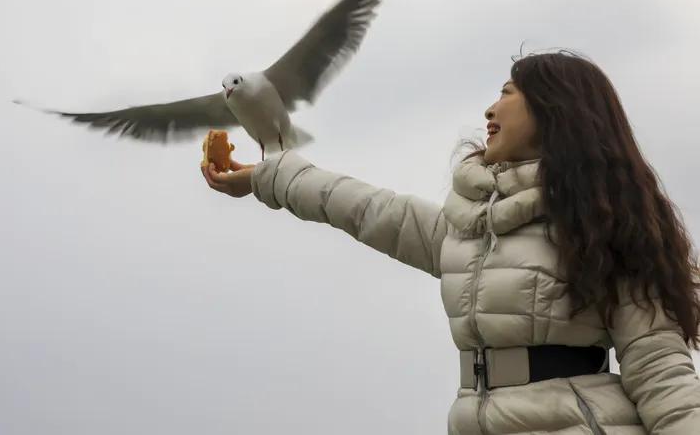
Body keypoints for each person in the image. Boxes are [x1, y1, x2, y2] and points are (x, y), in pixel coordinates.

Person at [200, 50, 700, 434]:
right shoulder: (467, 231)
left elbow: (663, 379)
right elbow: (368, 208)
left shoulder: (607, 227)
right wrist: (263, 177)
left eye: (508, 91)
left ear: (557, 112)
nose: (490, 106)